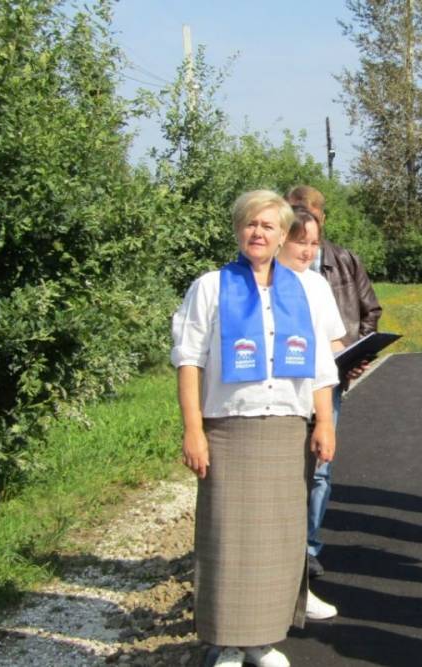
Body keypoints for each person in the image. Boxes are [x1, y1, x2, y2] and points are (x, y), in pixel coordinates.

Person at [171, 190, 339, 667]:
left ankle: (262, 641)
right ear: (238, 231)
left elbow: (322, 367)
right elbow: (188, 361)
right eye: (251, 224)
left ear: (284, 234)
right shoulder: (209, 286)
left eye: (268, 226)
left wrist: (324, 420)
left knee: (279, 539)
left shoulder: (304, 289)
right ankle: (225, 642)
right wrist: (193, 429)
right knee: (226, 538)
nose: (258, 233)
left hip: (286, 428)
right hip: (228, 429)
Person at [286, 185, 382, 578]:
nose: (306, 243)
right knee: (289, 470)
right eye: (296, 218)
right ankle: (284, 550)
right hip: (286, 392)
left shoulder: (342, 263)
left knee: (320, 468)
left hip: (328, 384)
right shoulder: (263, 276)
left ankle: (308, 547)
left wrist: (357, 353)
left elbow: (367, 312)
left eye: (312, 216)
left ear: (323, 218)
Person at [277, 206, 346, 622]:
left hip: (315, 401)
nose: (307, 251)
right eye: (300, 241)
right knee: (281, 500)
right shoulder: (260, 284)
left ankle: (300, 584)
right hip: (278, 405)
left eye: (314, 243)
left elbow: (332, 341)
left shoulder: (318, 285)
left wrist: (352, 356)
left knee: (313, 483)